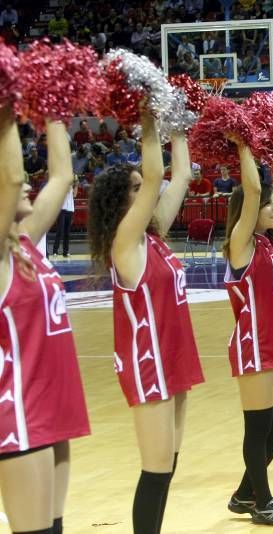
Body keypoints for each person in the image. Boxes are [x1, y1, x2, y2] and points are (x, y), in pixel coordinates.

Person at [87, 114, 204, 534]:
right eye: (135, 189)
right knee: (155, 471)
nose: (145, 192)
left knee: (168, 465)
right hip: (148, 363)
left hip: (174, 358)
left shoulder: (152, 237)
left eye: (142, 188)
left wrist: (178, 123)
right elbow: (156, 175)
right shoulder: (124, 242)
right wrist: (147, 116)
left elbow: (182, 173)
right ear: (119, 201)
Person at [0, 111, 90, 534]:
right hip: (18, 413)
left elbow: (62, 177)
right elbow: (15, 179)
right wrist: (5, 112)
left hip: (51, 408)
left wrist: (53, 106)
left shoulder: (24, 242)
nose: (26, 189)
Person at [222, 140, 273, 526]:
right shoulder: (241, 246)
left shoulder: (270, 244)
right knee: (258, 428)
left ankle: (242, 494)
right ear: (248, 211)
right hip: (254, 344)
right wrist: (244, 146)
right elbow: (254, 191)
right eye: (266, 204)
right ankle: (262, 503)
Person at [52, 175, 78, 257]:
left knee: (67, 232)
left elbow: (74, 195)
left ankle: (65, 251)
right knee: (60, 230)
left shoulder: (71, 186)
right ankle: (55, 250)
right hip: (62, 209)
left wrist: (76, 185)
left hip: (70, 209)